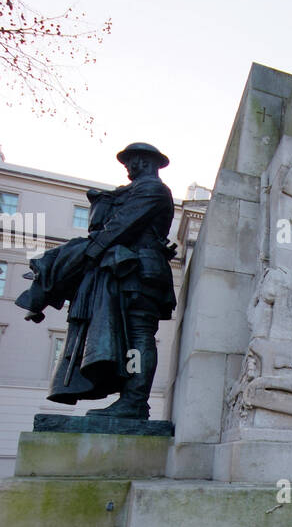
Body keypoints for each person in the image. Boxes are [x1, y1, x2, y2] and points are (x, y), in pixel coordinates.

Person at [15, 142, 176, 420]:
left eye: (130, 161)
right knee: (129, 338)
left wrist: (85, 255)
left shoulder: (152, 189)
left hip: (139, 273)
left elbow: (119, 227)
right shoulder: (129, 192)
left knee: (138, 338)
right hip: (123, 272)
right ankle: (130, 398)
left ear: (144, 161)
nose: (127, 166)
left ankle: (135, 401)